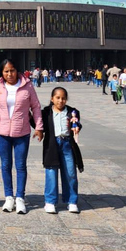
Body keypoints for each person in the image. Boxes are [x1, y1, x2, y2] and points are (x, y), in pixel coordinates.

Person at [0, 59, 44, 214]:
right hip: (2, 133)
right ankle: (9, 197)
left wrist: (39, 127)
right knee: (5, 165)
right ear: (2, 73)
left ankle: (20, 197)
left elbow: (36, 106)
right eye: (6, 71)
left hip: (22, 132)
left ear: (17, 71)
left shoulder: (27, 85)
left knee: (21, 166)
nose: (10, 74)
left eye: (12, 70)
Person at [40, 86, 83, 214]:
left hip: (67, 144)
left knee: (70, 173)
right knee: (51, 173)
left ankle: (71, 201)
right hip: (52, 144)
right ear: (52, 99)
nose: (60, 101)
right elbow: (38, 124)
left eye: (63, 98)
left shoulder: (72, 112)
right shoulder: (46, 112)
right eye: (57, 98)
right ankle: (50, 201)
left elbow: (77, 124)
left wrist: (77, 127)